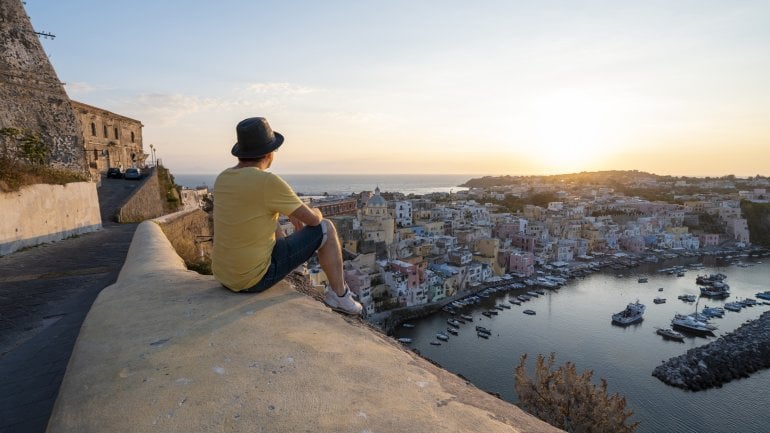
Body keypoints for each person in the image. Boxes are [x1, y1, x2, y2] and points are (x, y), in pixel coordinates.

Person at [211, 117, 362, 315]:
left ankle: (296, 266)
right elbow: (314, 221)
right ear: (269, 153)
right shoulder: (267, 181)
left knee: (270, 216)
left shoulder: (223, 178)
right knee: (326, 227)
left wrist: (285, 210)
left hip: (225, 276)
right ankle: (340, 296)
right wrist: (313, 211)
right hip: (253, 281)